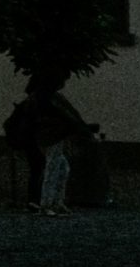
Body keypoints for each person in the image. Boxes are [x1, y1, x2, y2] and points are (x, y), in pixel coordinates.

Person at [25, 77, 93, 216]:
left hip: (48, 136)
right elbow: (68, 115)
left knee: (62, 167)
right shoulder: (50, 98)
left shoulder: (37, 98)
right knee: (54, 168)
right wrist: (83, 129)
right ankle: (47, 204)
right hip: (53, 136)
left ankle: (55, 202)